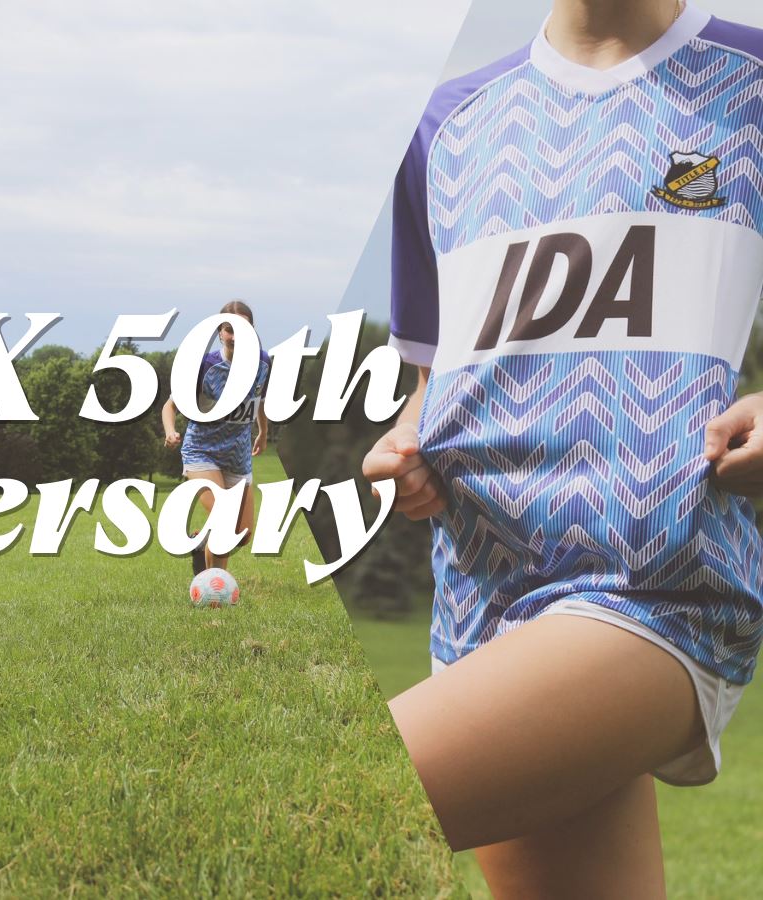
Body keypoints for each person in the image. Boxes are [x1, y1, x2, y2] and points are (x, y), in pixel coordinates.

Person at [364, 1, 763, 894]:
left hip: (656, 586)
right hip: (482, 601)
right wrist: (408, 444)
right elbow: (436, 379)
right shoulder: (446, 124)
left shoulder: (751, 78)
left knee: (315, 806)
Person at [161, 300, 269, 574]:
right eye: (228, 328)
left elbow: (259, 399)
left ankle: (202, 543)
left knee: (242, 535)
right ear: (220, 332)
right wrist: (171, 431)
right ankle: (214, 592)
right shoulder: (204, 366)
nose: (234, 334)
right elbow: (170, 405)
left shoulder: (263, 362)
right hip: (202, 451)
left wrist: (263, 431)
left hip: (238, 455)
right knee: (223, 520)